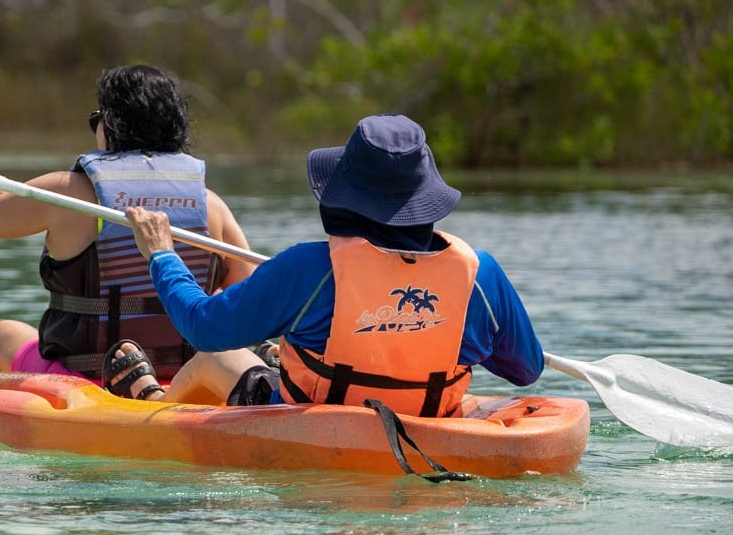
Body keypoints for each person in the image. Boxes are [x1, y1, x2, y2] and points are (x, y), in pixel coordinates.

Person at [121, 113, 545, 416]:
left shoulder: (308, 268)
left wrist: (162, 254)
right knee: (276, 349)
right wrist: (443, 332)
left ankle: (153, 406)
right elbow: (525, 369)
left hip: (315, 422)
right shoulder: (480, 274)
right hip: (430, 423)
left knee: (217, 357)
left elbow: (202, 327)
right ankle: (277, 353)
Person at [0, 64, 269, 405]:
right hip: (187, 373)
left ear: (109, 124)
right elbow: (250, 297)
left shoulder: (67, 193)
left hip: (85, 378)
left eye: (96, 119)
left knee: (0, 333)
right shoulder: (209, 204)